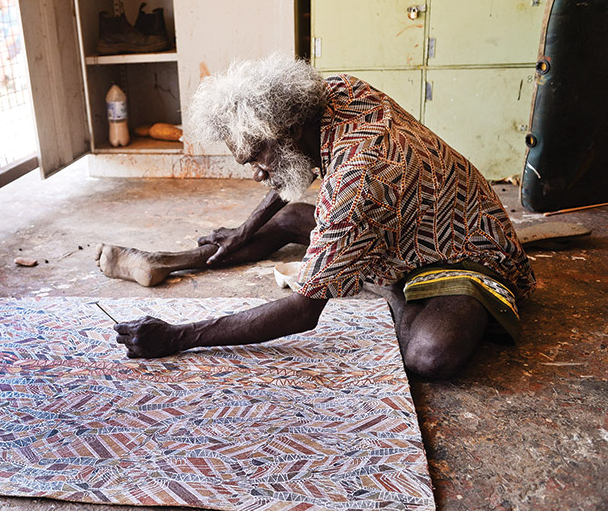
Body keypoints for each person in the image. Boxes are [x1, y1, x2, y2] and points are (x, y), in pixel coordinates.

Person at [94, 53, 536, 379]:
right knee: (288, 220)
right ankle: (163, 260)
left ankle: (389, 285)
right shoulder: (337, 92)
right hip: (403, 215)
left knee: (430, 357)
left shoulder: (357, 186)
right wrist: (245, 230)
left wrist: (177, 337)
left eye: (255, 158)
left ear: (286, 131)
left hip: (467, 252)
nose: (254, 174)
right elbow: (291, 172)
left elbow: (302, 313)